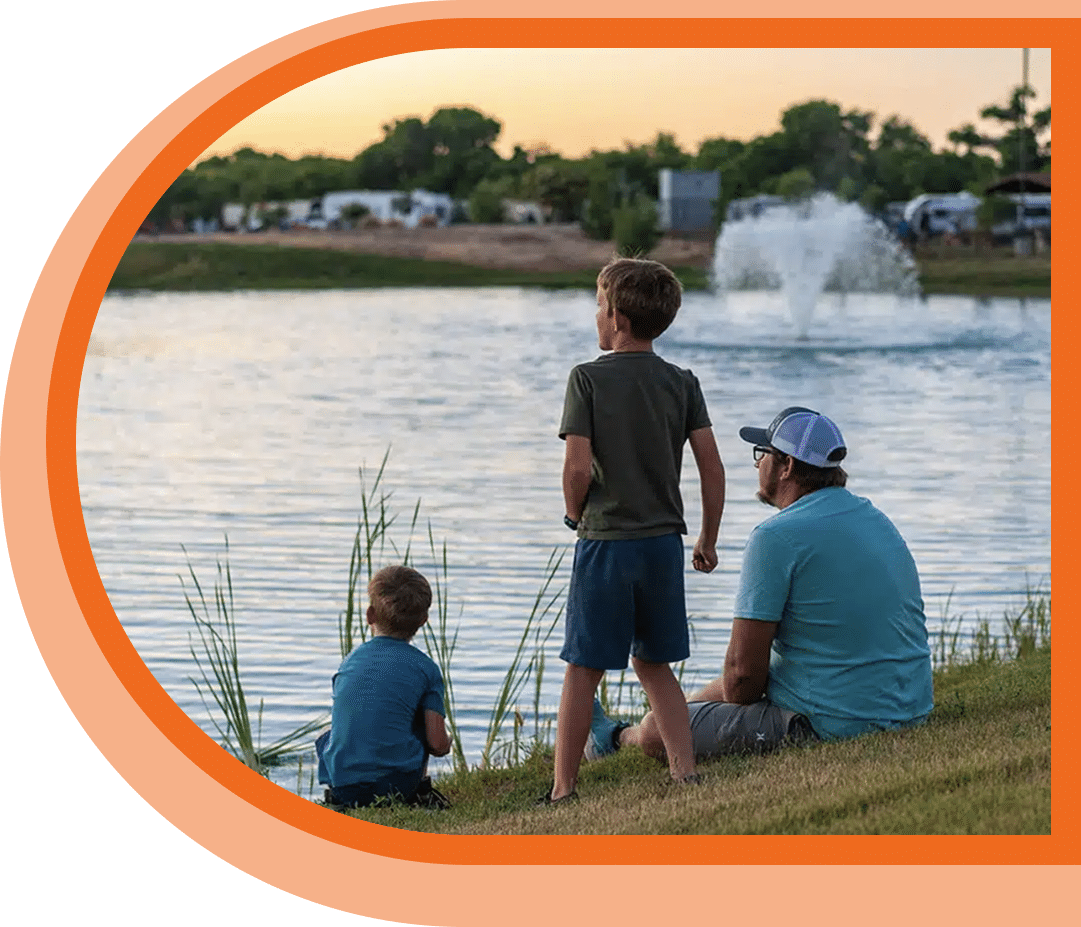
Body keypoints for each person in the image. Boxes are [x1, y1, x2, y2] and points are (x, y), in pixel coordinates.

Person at [588, 406, 934, 764]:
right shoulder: (875, 518)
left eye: (763, 454)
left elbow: (742, 681)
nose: (757, 465)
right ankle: (618, 734)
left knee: (659, 733)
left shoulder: (776, 537)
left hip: (836, 724)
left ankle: (620, 737)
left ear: (786, 466)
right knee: (690, 705)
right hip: (912, 708)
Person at [546, 257, 727, 803]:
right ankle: (684, 772)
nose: (595, 316)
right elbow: (711, 466)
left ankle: (562, 789)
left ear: (618, 317)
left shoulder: (587, 378)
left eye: (599, 306)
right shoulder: (682, 382)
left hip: (605, 544)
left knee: (583, 670)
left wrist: (576, 514)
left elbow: (577, 467)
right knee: (655, 663)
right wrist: (707, 538)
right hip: (662, 547)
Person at [316, 564, 452, 809]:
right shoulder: (426, 668)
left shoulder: (349, 662)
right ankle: (419, 794)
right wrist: (447, 742)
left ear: (370, 615)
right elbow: (437, 745)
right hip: (396, 786)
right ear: (423, 621)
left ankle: (336, 799)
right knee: (417, 721)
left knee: (330, 731)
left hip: (344, 787)